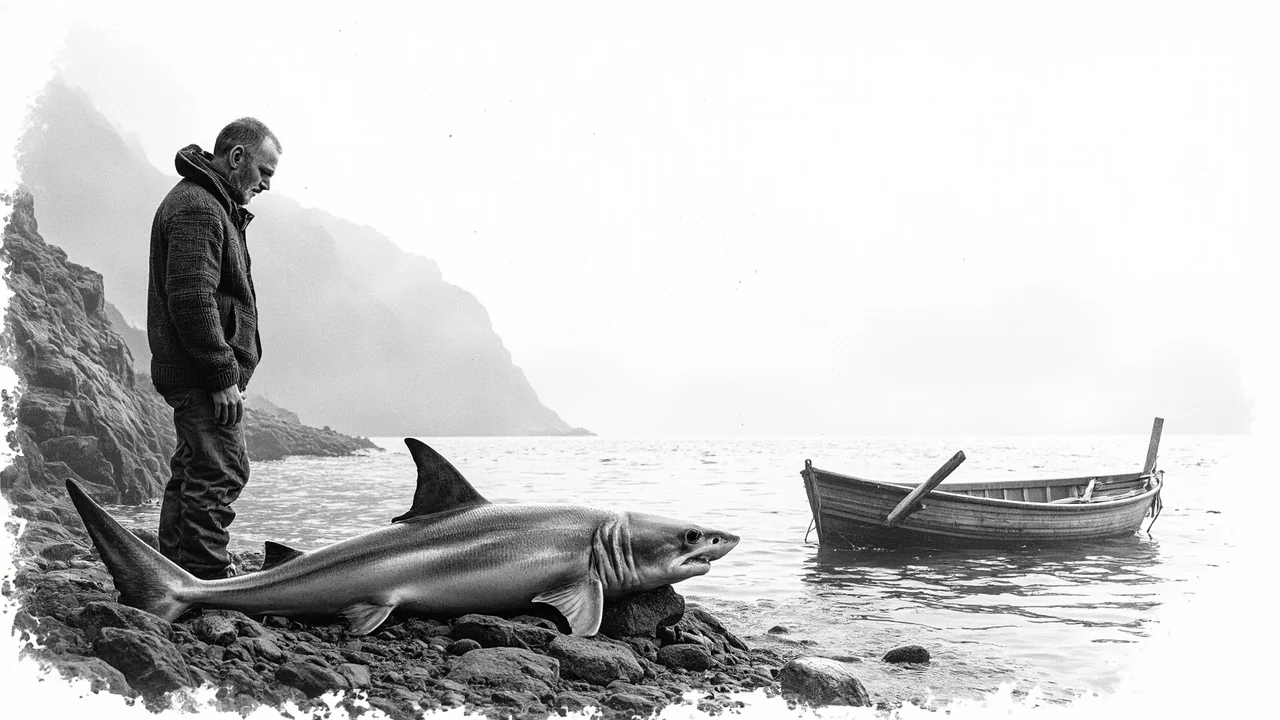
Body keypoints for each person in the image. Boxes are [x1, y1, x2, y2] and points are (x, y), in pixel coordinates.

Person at [146, 118, 281, 580]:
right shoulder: (199, 208)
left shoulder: (208, 203)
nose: (266, 185)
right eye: (264, 172)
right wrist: (223, 376)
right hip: (203, 377)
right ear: (237, 157)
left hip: (198, 373)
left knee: (193, 472)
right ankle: (206, 579)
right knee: (222, 471)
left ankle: (171, 577)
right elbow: (191, 298)